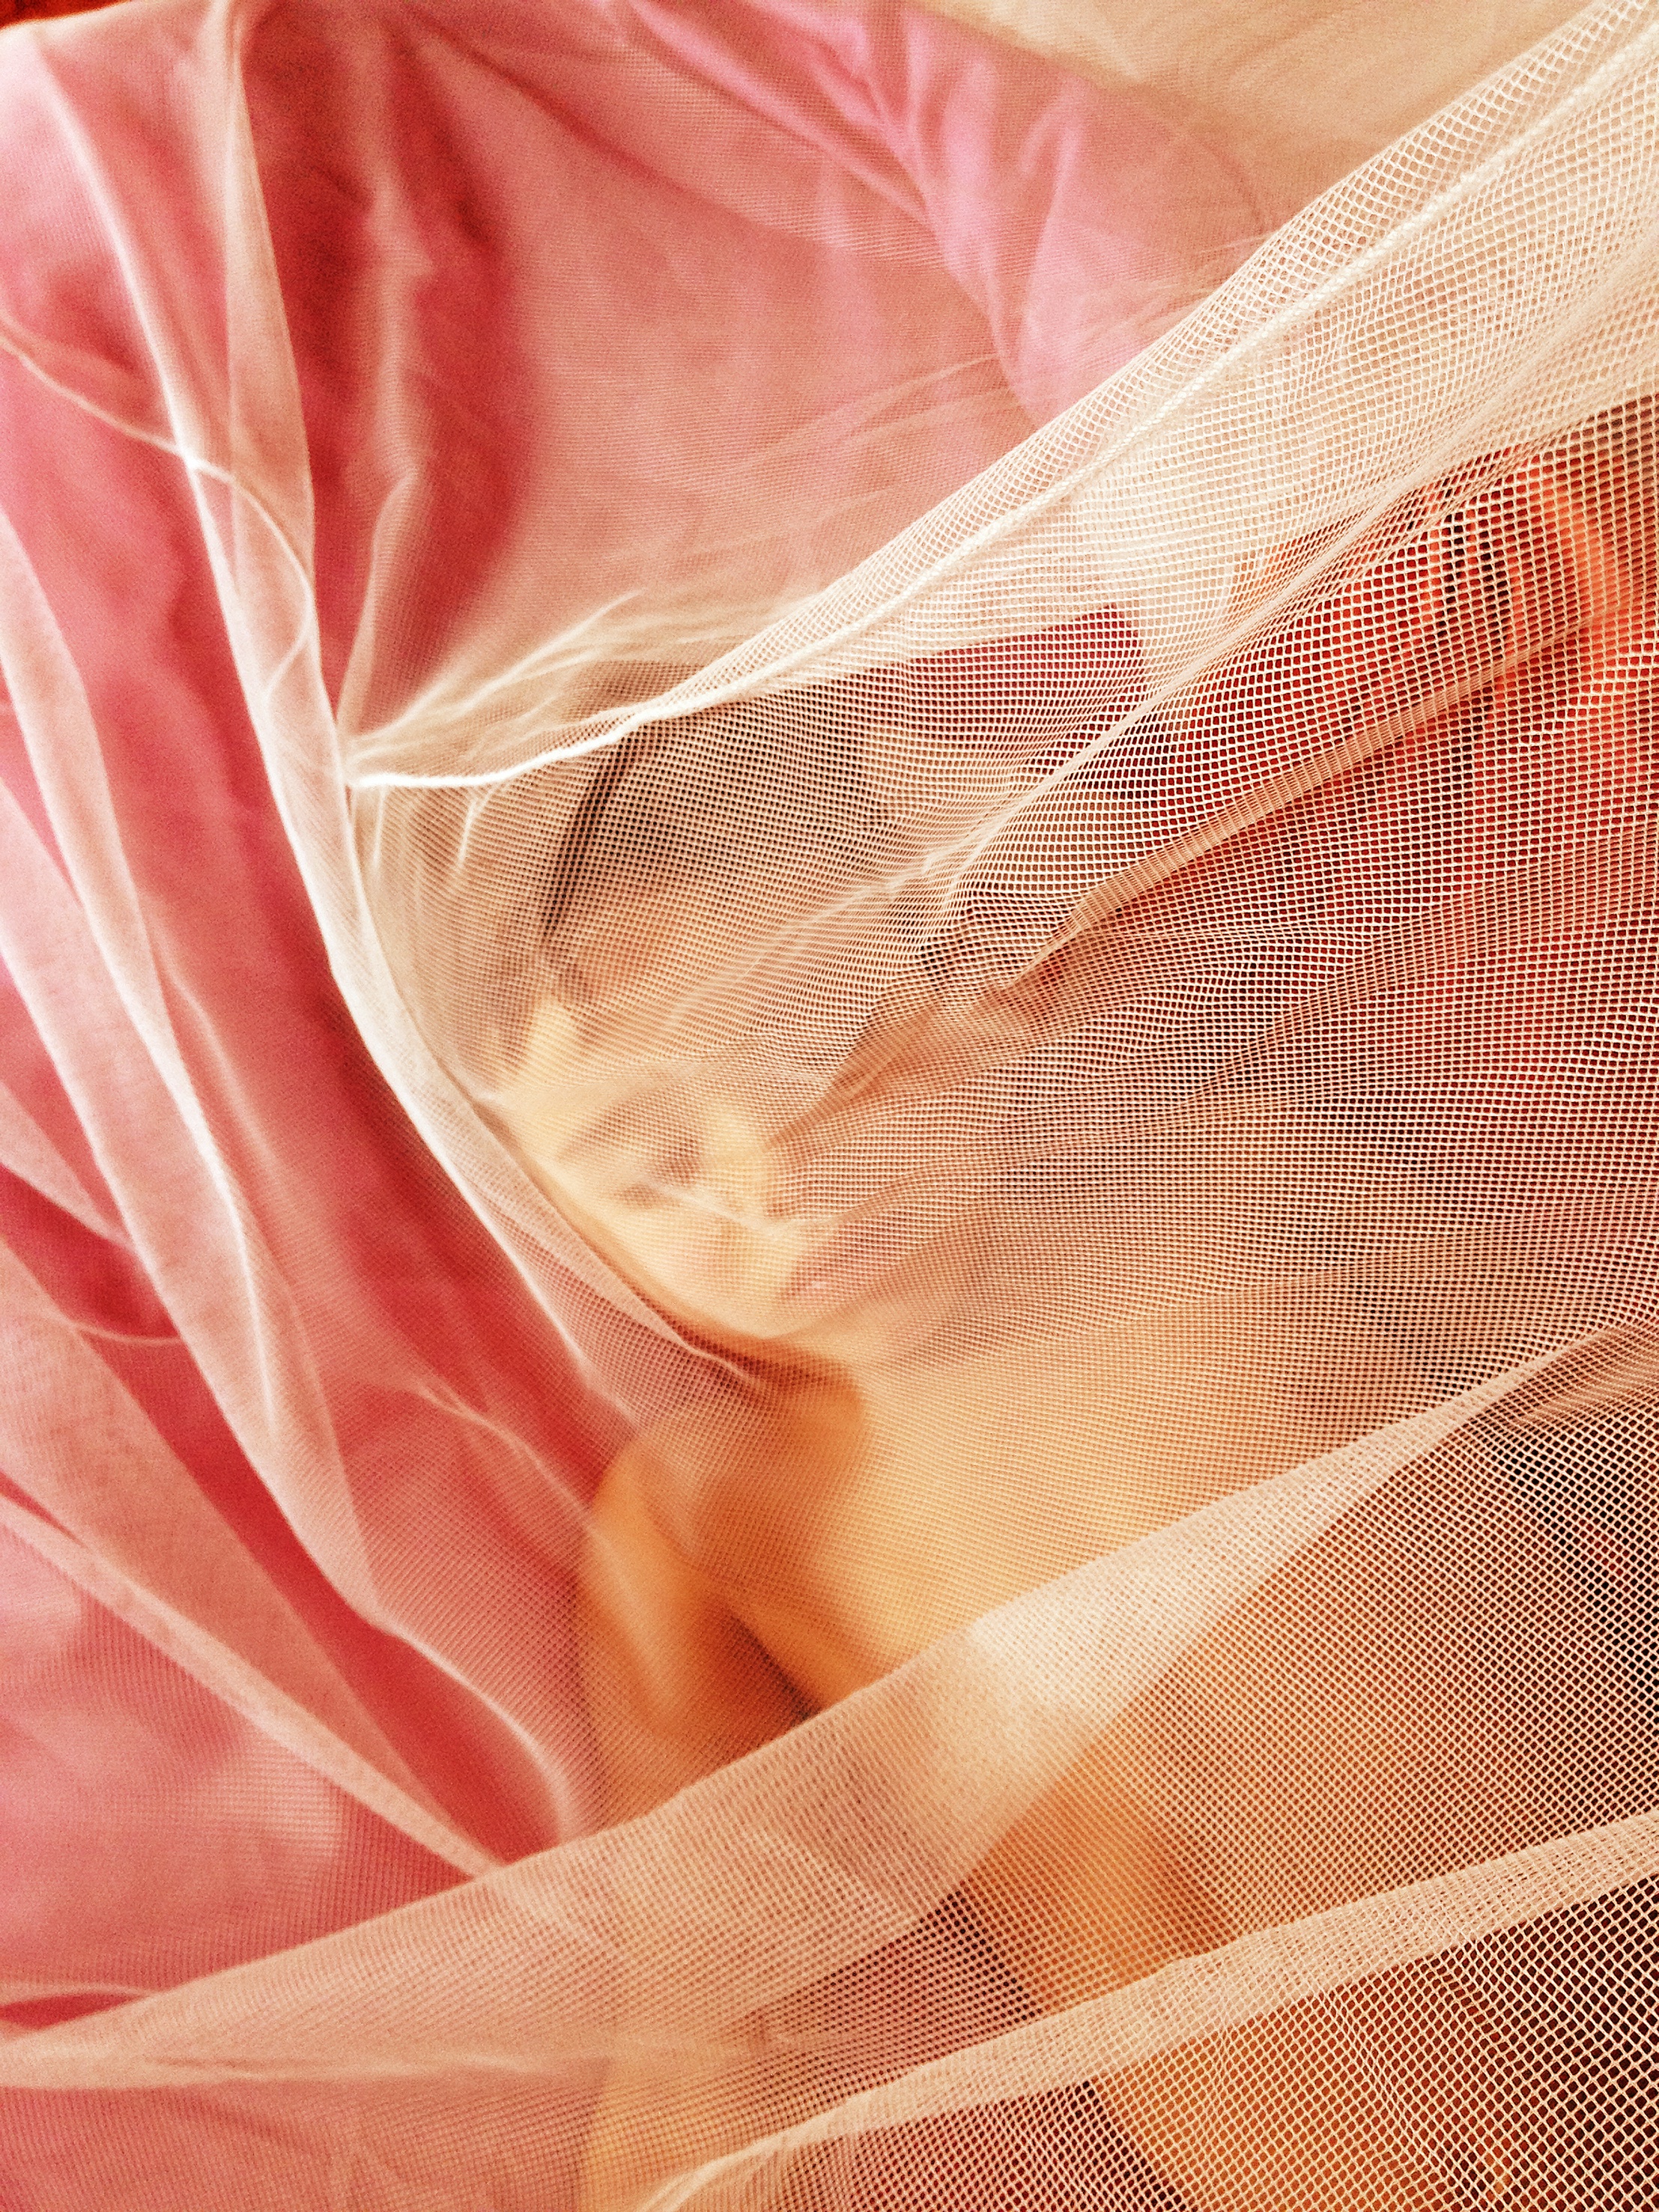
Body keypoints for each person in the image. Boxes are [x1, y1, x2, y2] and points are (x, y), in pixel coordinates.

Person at [497, 422, 1659, 2208]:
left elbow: (1604, 1379)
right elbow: (711, 2038)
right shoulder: (713, 1517)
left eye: (822, 1045)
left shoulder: (1231, 1189)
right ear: (547, 1201)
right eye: (644, 1160)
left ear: (973, 979)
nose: (772, 1178)